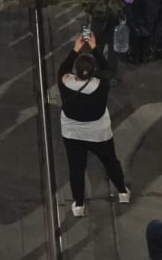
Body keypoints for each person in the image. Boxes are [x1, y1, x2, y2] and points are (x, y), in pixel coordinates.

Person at [57, 31, 130, 218]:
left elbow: (62, 68)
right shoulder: (101, 84)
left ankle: (79, 204)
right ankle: (122, 192)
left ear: (75, 71)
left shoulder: (64, 81)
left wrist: (76, 48)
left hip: (72, 133)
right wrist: (95, 47)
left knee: (76, 168)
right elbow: (106, 69)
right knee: (110, 161)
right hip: (98, 132)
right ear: (92, 72)